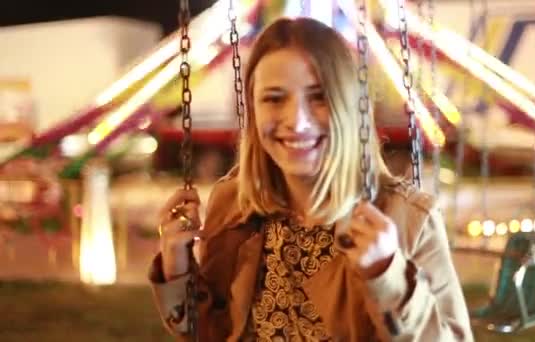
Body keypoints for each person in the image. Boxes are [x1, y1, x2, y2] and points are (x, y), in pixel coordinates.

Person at [149, 17, 473, 341]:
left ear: (348, 106)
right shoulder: (236, 207)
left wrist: (388, 276)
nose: (298, 122)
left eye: (318, 97)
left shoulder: (407, 221)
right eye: (274, 99)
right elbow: (210, 335)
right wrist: (177, 269)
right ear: (253, 108)